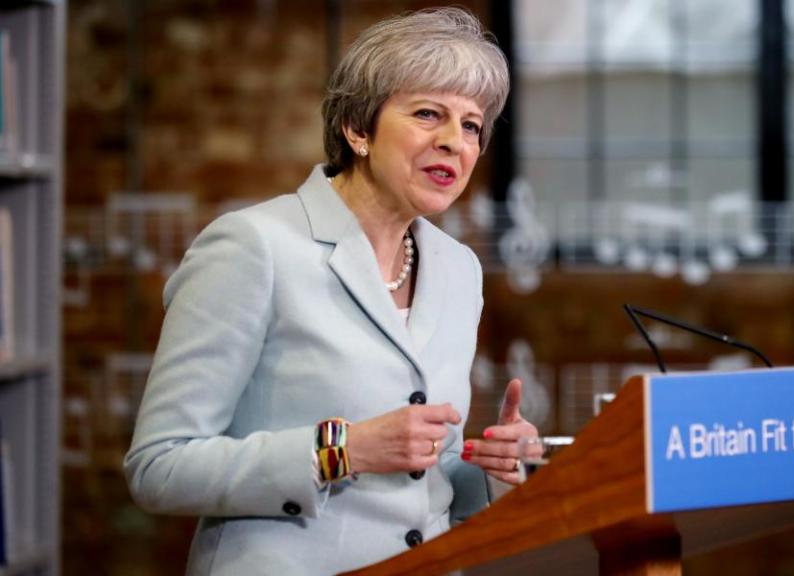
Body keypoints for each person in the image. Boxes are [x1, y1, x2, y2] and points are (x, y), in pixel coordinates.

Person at [123, 7, 539, 576]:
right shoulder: (253, 247)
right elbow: (159, 468)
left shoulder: (459, 269)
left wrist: (492, 468)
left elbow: (425, 476)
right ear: (358, 129)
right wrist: (341, 451)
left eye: (471, 125)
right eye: (427, 114)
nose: (454, 142)